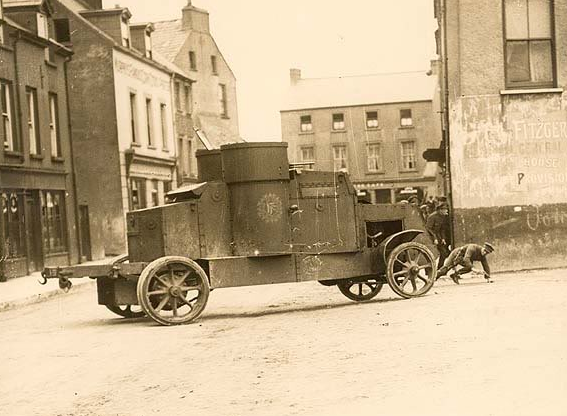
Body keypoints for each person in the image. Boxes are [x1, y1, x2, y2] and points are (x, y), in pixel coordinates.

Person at [426, 202, 450, 268]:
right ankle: (428, 269)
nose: (447, 211)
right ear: (440, 210)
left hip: (438, 236)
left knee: (444, 253)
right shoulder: (432, 217)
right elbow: (428, 228)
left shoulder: (443, 217)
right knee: (430, 254)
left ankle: (439, 269)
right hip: (430, 237)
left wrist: (443, 239)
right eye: (445, 209)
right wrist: (434, 238)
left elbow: (442, 229)